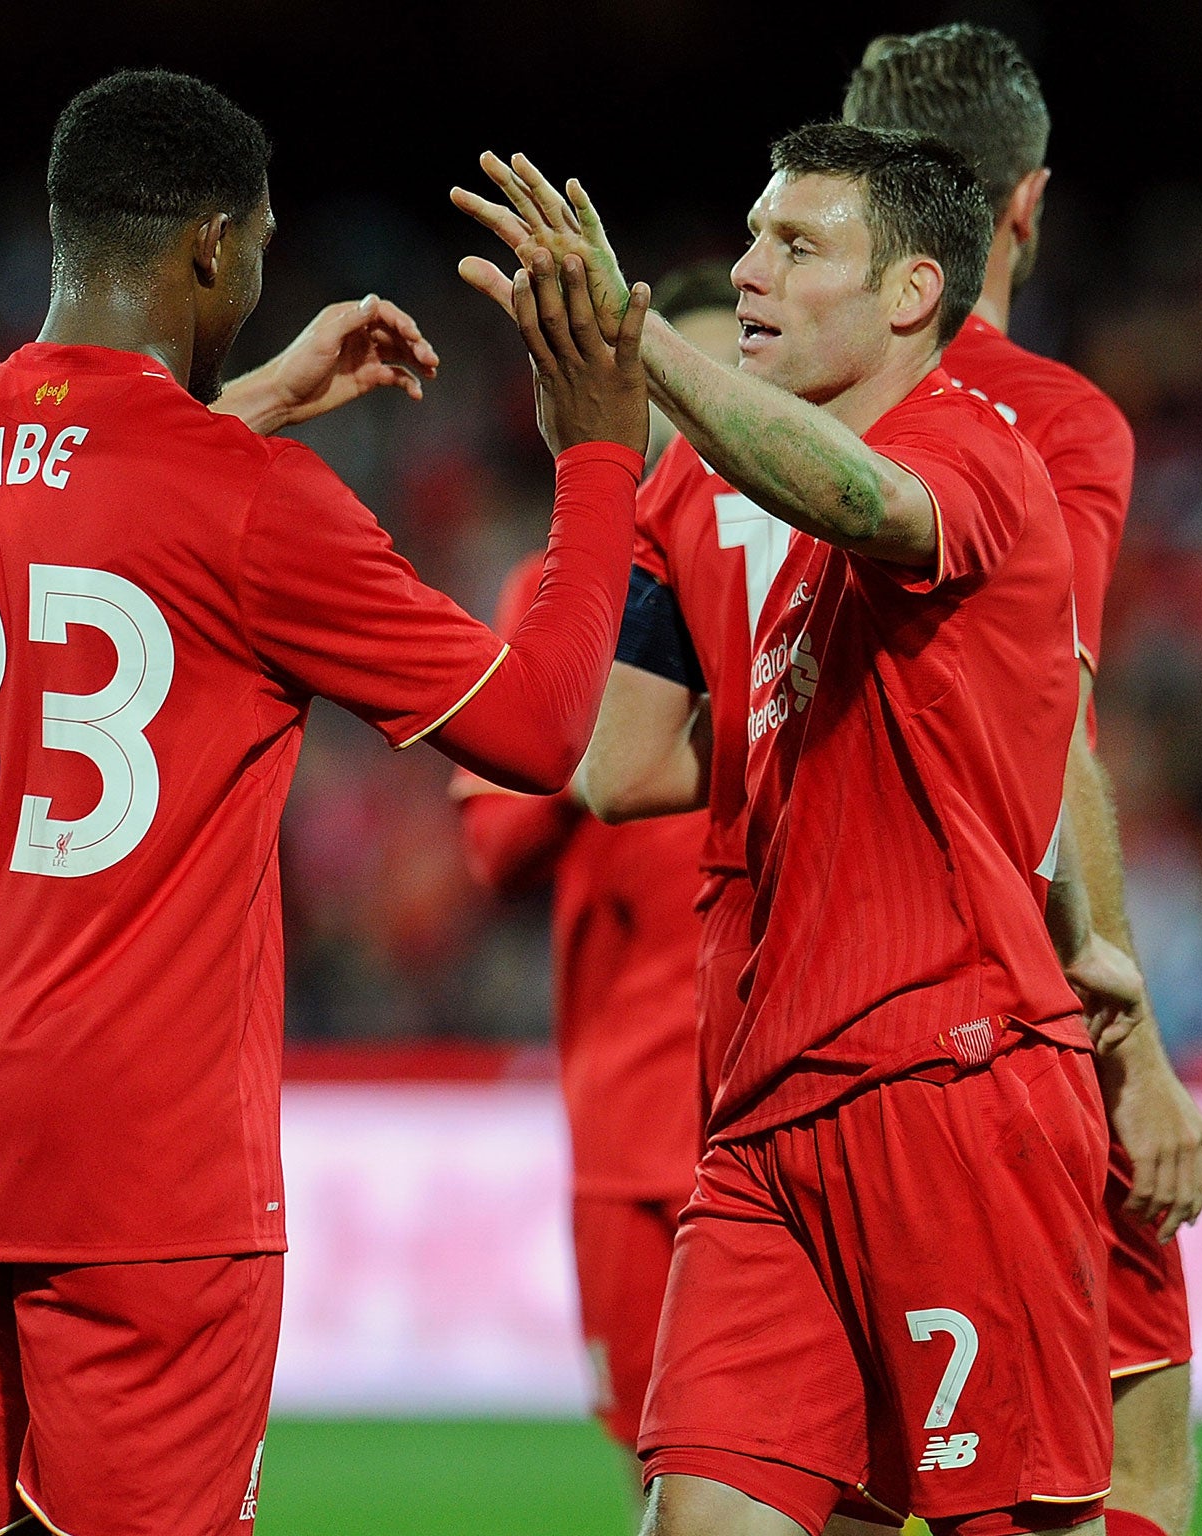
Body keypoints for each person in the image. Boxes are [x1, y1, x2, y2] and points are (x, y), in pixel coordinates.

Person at [0, 68, 652, 1536]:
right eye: (254, 245)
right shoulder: (251, 498)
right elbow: (546, 727)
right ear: (210, 247)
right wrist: (600, 457)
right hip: (146, 1177)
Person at [456, 124, 1145, 1536]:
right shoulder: (773, 553)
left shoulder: (973, 452)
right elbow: (617, 765)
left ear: (910, 294)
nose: (747, 268)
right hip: (764, 1110)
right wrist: (604, 460)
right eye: (751, 236)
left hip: (944, 1085)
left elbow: (860, 492)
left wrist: (639, 347)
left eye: (796, 246)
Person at [845, 28, 1202, 1536]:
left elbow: (629, 763)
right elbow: (1046, 730)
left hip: (788, 1033)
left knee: (819, 1479)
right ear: (1027, 205)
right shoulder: (1046, 421)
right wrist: (1130, 1046)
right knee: (1126, 1460)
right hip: (997, 1022)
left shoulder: (763, 421)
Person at [451, 270, 739, 1458]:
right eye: (690, 379)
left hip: (778, 1092)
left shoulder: (812, 569)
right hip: (627, 1117)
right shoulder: (555, 595)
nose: (721, 408)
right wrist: (614, 713)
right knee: (659, 1467)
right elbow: (493, 845)